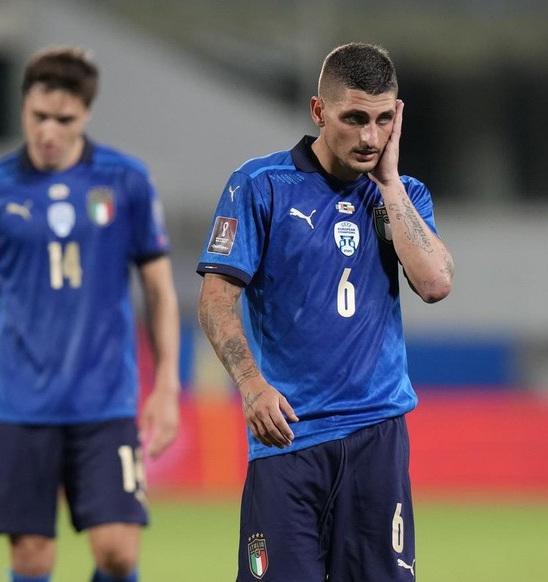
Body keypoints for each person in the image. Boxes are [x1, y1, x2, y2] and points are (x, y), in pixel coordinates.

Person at [196, 42, 454, 581]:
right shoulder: (260, 185)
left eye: (384, 120)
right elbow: (217, 300)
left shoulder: (403, 194)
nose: (369, 137)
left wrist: (386, 184)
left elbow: (435, 283)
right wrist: (251, 385)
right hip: (289, 438)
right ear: (319, 112)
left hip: (376, 437)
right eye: (354, 118)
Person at [0, 46, 181, 582]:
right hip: (21, 402)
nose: (48, 130)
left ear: (86, 115)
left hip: (104, 399)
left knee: (118, 553)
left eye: (64, 119)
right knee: (30, 557)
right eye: (38, 116)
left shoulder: (127, 181)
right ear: (24, 107)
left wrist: (167, 384)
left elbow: (159, 290)